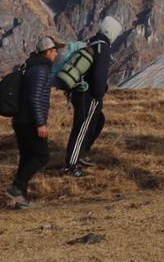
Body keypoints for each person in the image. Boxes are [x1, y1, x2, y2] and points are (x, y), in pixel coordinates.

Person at [8, 37, 61, 208]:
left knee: (27, 158)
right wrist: (40, 123)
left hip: (21, 120)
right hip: (30, 121)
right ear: (47, 52)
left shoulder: (32, 66)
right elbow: (35, 98)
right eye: (54, 50)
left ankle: (20, 199)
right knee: (41, 156)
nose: (56, 53)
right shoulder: (40, 70)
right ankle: (17, 187)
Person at [64, 16, 118, 176]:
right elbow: (99, 75)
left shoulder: (92, 42)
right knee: (81, 128)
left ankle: (82, 153)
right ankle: (71, 165)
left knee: (98, 121)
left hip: (80, 93)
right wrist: (99, 93)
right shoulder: (103, 47)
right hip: (89, 95)